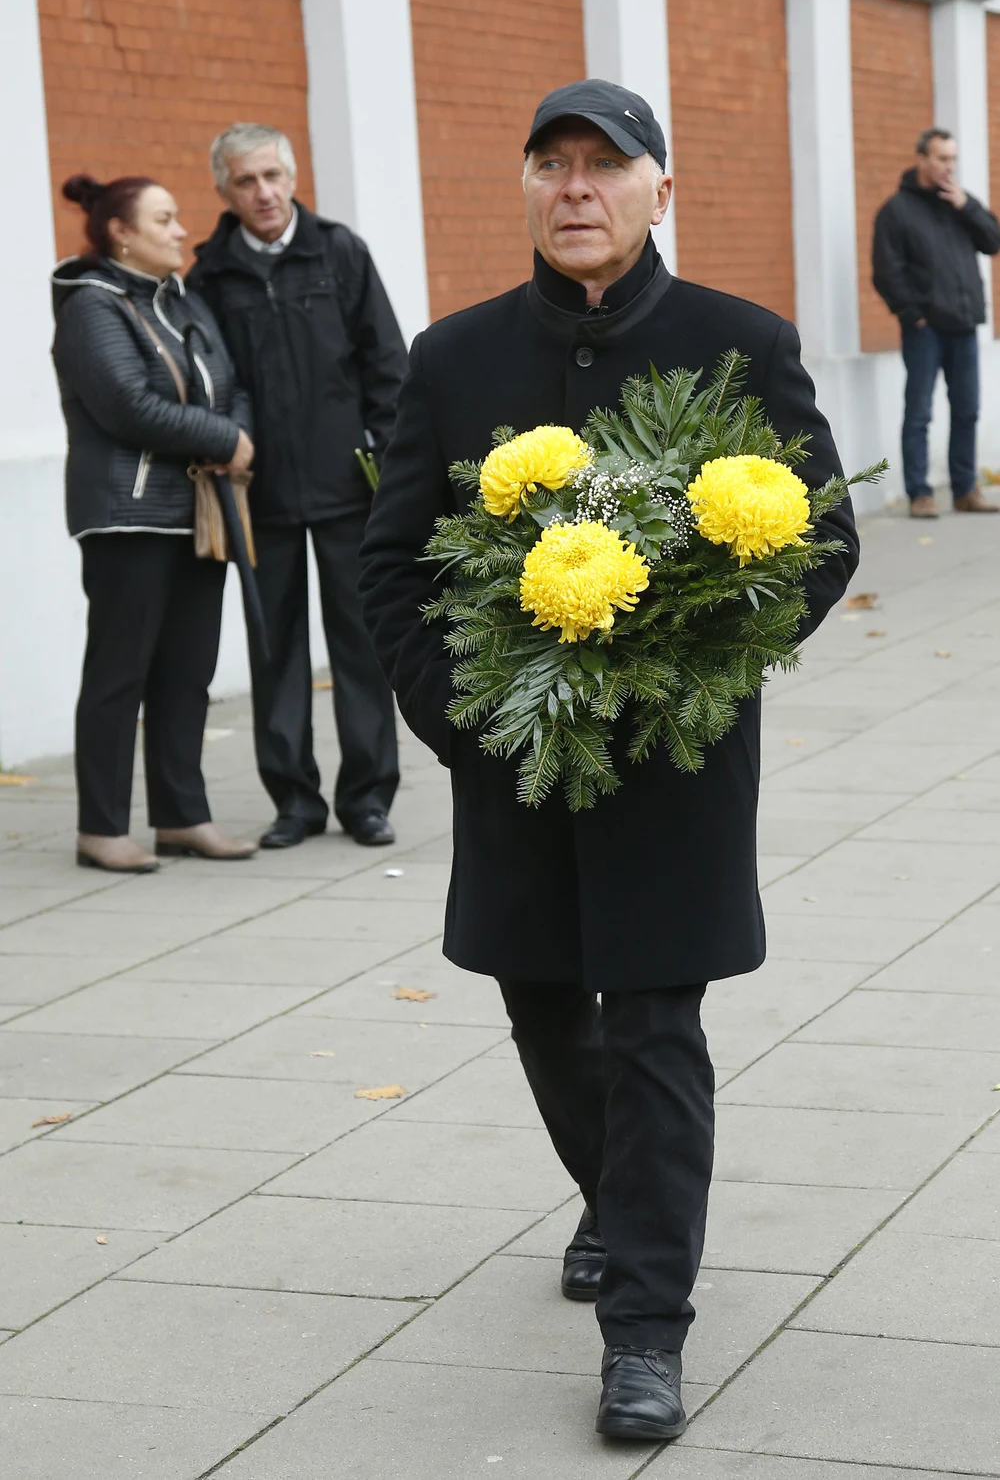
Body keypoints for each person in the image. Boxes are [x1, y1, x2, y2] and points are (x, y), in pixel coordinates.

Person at [359, 80, 859, 1441]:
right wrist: (464, 722)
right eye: (552, 166)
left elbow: (819, 543)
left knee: (652, 1024)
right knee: (538, 1005)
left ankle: (645, 1328)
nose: (577, 190)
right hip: (513, 771)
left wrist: (693, 669)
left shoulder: (738, 343)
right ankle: (617, 1201)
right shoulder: (454, 359)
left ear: (660, 191)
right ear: (525, 190)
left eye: (606, 166)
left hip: (673, 775)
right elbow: (392, 562)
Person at [187, 124, 407, 850]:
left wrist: (386, 452)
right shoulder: (209, 276)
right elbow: (206, 382)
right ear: (225, 190)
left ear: (292, 175)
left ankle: (368, 798)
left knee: (361, 646)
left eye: (274, 176)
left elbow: (386, 363)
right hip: (261, 494)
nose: (264, 193)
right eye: (247, 181)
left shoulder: (339, 252)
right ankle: (295, 802)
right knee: (273, 648)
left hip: (350, 488)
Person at [53, 173, 259, 874]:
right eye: (165, 220)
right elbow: (126, 405)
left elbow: (231, 389)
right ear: (121, 232)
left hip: (197, 513)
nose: (180, 232)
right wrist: (224, 440)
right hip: (128, 517)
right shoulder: (91, 307)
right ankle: (100, 828)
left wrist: (236, 435)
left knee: (187, 673)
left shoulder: (182, 303)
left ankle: (181, 817)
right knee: (120, 673)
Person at [873, 127, 1000, 519]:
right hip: (926, 329)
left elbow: (993, 241)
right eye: (942, 158)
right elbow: (886, 271)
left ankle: (965, 490)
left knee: (967, 410)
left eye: (952, 159)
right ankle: (920, 493)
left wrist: (967, 206)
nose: (949, 166)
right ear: (922, 159)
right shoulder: (897, 210)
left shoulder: (959, 203)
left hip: (964, 325)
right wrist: (914, 316)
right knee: (920, 412)